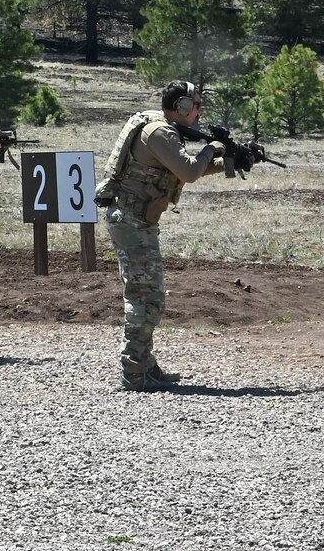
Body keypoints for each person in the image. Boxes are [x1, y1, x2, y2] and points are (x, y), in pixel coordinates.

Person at [95, 80, 243, 391]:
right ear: (183, 108)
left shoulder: (160, 128)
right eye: (196, 105)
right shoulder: (160, 132)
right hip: (132, 220)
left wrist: (229, 160)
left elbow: (183, 168)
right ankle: (134, 370)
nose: (200, 111)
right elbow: (188, 171)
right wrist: (212, 148)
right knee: (146, 296)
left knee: (147, 294)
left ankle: (144, 364)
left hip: (136, 218)